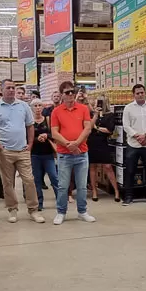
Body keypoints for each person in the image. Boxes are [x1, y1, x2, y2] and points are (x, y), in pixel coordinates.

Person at [0, 80, 43, 223]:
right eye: (8, 88)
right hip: (4, 151)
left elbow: (30, 126)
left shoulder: (24, 106)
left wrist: (30, 144)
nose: (11, 90)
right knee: (8, 183)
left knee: (29, 180)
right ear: (2, 90)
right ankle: (12, 209)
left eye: (13, 88)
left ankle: (33, 210)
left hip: (23, 150)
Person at [50, 81, 95, 225]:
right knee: (63, 185)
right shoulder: (56, 111)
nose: (70, 95)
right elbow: (54, 132)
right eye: (67, 92)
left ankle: (82, 211)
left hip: (82, 153)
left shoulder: (83, 109)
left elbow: (87, 128)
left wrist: (76, 143)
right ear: (62, 95)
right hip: (64, 154)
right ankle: (61, 212)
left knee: (81, 185)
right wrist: (69, 145)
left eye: (72, 92)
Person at [121, 83, 146, 206]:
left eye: (142, 92)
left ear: (145, 93)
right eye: (138, 93)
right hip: (133, 144)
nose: (140, 95)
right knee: (130, 170)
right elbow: (126, 126)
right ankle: (128, 196)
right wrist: (138, 136)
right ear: (134, 95)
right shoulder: (128, 108)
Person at [87, 95, 119, 202]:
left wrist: (96, 127)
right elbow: (88, 128)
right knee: (92, 167)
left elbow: (110, 130)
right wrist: (95, 115)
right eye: (95, 102)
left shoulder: (109, 115)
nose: (96, 104)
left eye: (99, 102)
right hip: (91, 142)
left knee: (108, 166)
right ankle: (95, 191)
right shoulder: (91, 114)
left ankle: (116, 191)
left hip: (103, 142)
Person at [29, 99, 58, 212]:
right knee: (36, 180)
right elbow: (28, 137)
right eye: (35, 106)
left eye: (39, 105)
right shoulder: (30, 122)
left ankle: (60, 199)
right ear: (31, 108)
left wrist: (47, 135)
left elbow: (54, 134)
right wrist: (37, 139)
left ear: (42, 107)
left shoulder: (47, 120)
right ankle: (39, 202)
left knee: (54, 177)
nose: (37, 108)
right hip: (35, 154)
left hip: (48, 154)